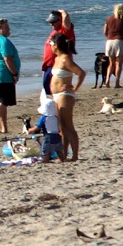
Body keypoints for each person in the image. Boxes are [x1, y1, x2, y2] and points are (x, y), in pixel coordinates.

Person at [49, 33, 86, 161]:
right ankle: (64, 154)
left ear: (56, 45)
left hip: (65, 95)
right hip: (56, 95)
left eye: (51, 44)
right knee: (61, 127)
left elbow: (81, 73)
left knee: (68, 126)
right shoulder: (56, 59)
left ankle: (75, 155)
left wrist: (75, 88)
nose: (50, 46)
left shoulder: (65, 58)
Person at [103, 3, 123, 88]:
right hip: (119, 41)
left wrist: (108, 37)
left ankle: (107, 81)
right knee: (119, 64)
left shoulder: (109, 19)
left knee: (111, 63)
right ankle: (117, 83)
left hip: (109, 42)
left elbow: (105, 31)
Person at [41, 11, 66, 93]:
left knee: (52, 89)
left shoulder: (63, 31)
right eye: (50, 22)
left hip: (55, 65)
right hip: (48, 65)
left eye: (53, 22)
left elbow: (67, 18)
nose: (51, 24)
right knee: (46, 87)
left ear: (60, 21)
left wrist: (61, 11)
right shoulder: (54, 32)